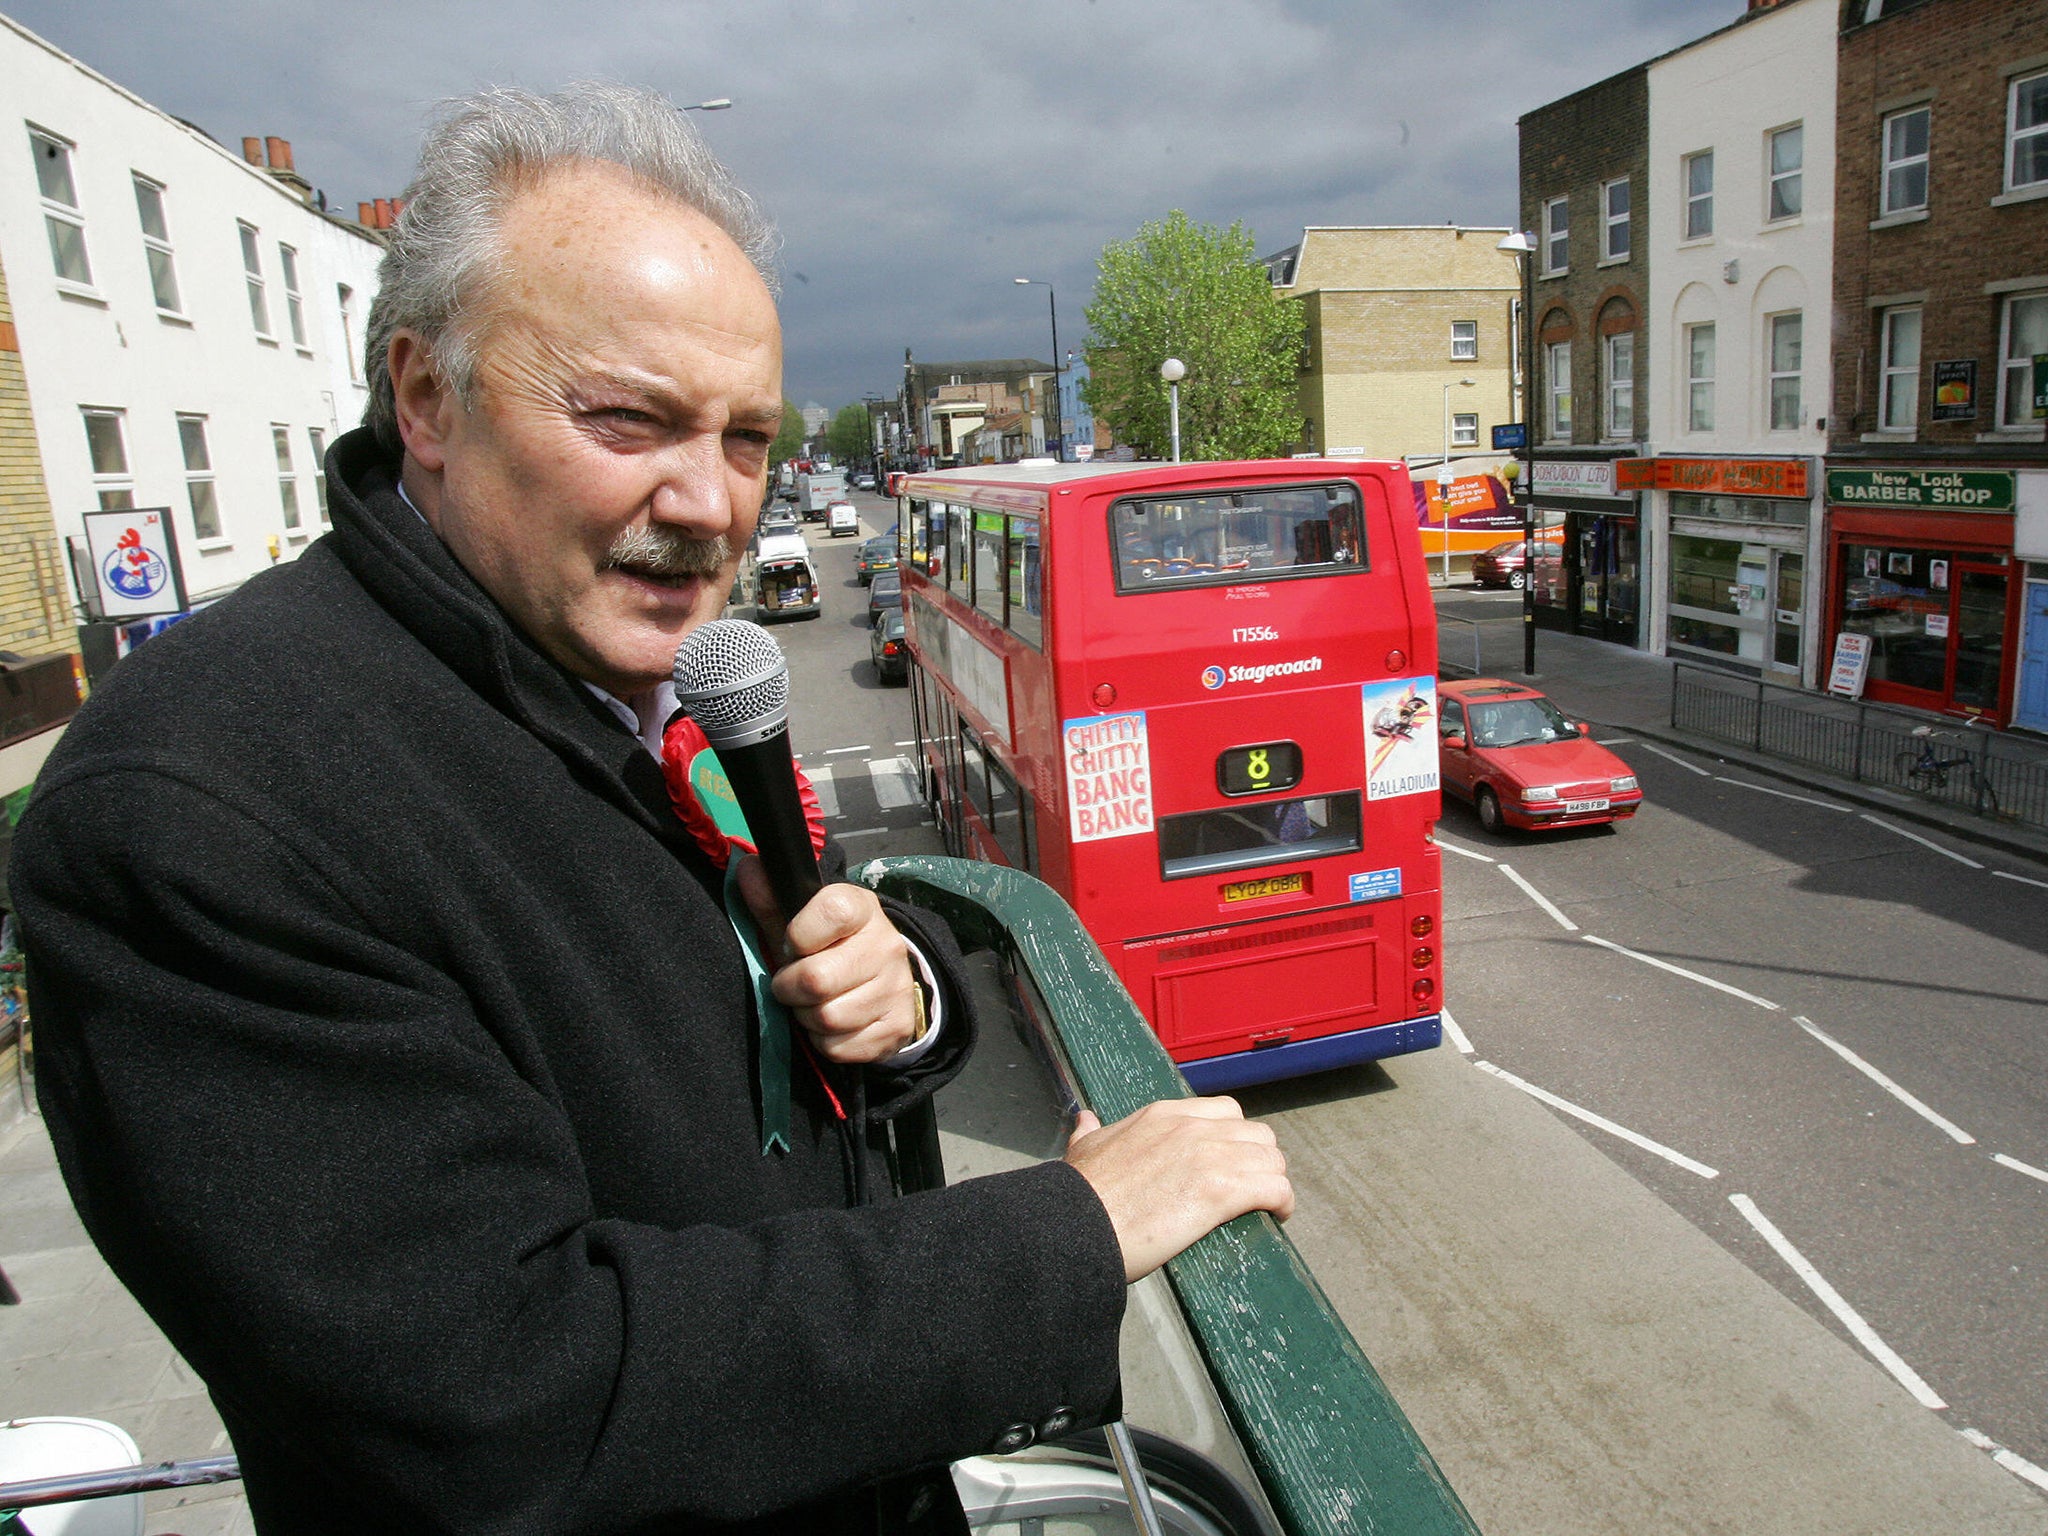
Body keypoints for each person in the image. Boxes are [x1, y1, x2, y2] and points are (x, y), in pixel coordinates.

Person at [9, 85, 1291, 1535]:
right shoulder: (202, 803)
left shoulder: (617, 677)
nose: (709, 502)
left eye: (746, 437)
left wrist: (903, 996)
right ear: (427, 399)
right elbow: (499, 1403)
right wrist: (1068, 1233)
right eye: (630, 418)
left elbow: (709, 1059)